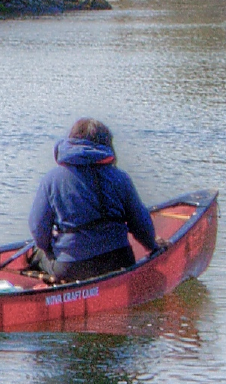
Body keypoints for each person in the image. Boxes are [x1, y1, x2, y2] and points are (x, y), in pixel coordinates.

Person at [27, 118, 157, 283]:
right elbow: (141, 223)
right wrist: (152, 246)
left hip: (72, 268)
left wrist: (48, 249)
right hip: (119, 261)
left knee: (36, 253)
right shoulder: (121, 177)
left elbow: (37, 227)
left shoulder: (51, 179)